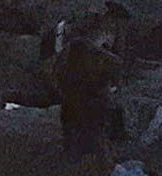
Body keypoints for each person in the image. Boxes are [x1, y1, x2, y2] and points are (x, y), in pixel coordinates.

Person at [50, 22, 121, 160]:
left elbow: (57, 73)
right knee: (90, 132)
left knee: (78, 129)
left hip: (78, 97)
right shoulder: (92, 51)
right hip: (87, 97)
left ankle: (76, 154)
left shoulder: (75, 49)